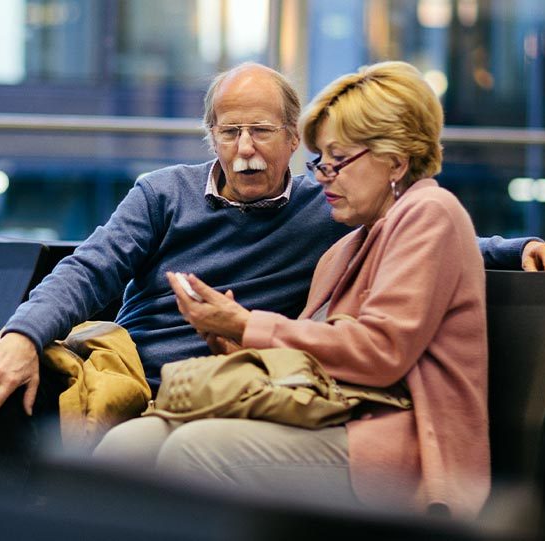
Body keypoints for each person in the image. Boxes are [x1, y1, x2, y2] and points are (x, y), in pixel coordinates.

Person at [0, 61, 545, 429]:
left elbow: (416, 234)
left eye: (262, 131)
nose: (245, 149)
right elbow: (89, 270)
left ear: (294, 138)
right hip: (134, 376)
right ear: (211, 136)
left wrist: (515, 249)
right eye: (230, 132)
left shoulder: (327, 207)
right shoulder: (161, 194)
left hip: (234, 387)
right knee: (7, 375)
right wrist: (22, 336)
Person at [94, 61, 495, 518]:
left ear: (396, 161)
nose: (323, 176)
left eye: (338, 160)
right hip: (328, 413)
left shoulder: (429, 212)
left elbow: (381, 350)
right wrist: (235, 344)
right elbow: (311, 362)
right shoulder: (343, 248)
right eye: (320, 161)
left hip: (395, 441)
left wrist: (247, 325)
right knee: (127, 447)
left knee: (192, 450)